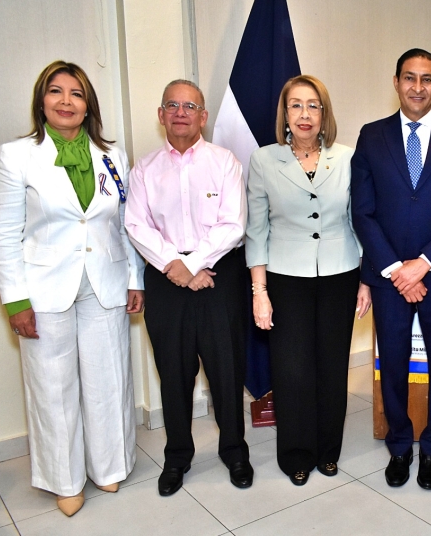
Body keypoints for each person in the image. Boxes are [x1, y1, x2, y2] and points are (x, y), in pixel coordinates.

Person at [0, 61, 145, 516]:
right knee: (52, 387)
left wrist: (135, 278)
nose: (66, 101)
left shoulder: (112, 156)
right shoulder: (16, 156)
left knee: (108, 377)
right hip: (42, 287)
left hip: (105, 280)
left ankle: (110, 466)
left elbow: (124, 225)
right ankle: (65, 479)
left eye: (76, 94)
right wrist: (14, 300)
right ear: (42, 101)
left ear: (87, 104)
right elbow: (3, 235)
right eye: (56, 92)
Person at [351, 48, 431, 490]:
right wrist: (394, 269)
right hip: (389, 279)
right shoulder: (371, 137)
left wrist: (422, 265)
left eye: (427, 79)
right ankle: (400, 445)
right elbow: (363, 211)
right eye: (410, 77)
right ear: (396, 81)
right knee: (394, 365)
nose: (418, 87)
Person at [124, 79, 252, 496]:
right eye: (172, 105)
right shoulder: (143, 169)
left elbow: (233, 223)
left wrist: (194, 265)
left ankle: (234, 450)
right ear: (161, 115)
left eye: (190, 105)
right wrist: (174, 266)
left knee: (227, 370)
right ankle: (177, 456)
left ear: (203, 116)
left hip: (218, 275)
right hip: (166, 281)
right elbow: (136, 225)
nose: (181, 112)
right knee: (174, 374)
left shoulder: (225, 161)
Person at [246, 75, 371, 486]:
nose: (305, 114)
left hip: (340, 273)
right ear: (285, 113)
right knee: (292, 369)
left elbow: (359, 221)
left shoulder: (349, 157)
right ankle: (297, 453)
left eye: (313, 105)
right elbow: (257, 230)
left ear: (324, 113)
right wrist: (259, 292)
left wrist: (366, 280)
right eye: (296, 105)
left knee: (333, 367)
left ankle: (328, 450)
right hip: (285, 277)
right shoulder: (264, 160)